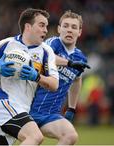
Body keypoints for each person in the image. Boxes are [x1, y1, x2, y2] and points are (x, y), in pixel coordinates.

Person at [0, 8, 59, 145]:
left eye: (46, 26)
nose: (46, 30)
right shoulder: (8, 44)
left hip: (23, 109)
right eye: (41, 25)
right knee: (35, 137)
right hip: (5, 104)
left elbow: (54, 84)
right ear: (28, 27)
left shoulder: (46, 52)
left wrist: (37, 76)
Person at [30, 10, 90, 145]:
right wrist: (69, 63)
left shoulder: (80, 57)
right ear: (59, 29)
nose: (69, 30)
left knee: (70, 136)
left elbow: (77, 79)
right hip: (28, 109)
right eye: (66, 26)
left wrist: (71, 108)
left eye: (74, 27)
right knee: (32, 140)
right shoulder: (52, 43)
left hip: (50, 114)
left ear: (79, 32)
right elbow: (47, 57)